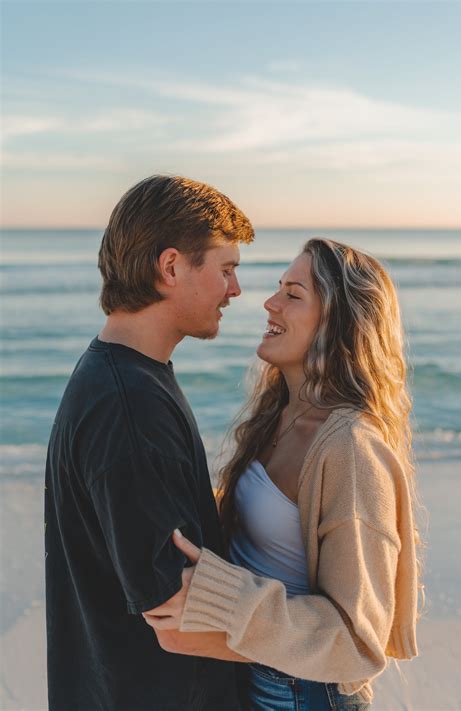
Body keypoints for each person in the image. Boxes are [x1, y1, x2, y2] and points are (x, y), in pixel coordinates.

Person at [144, 238, 421, 710]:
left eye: (293, 294)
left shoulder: (351, 448)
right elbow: (272, 528)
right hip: (257, 679)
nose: (269, 303)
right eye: (278, 288)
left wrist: (223, 598)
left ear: (340, 322)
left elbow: (358, 640)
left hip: (306, 695)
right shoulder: (279, 414)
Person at [44, 174, 254, 710]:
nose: (236, 290)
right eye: (225, 269)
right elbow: (175, 617)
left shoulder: (122, 375)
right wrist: (326, 647)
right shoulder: (128, 405)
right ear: (170, 268)